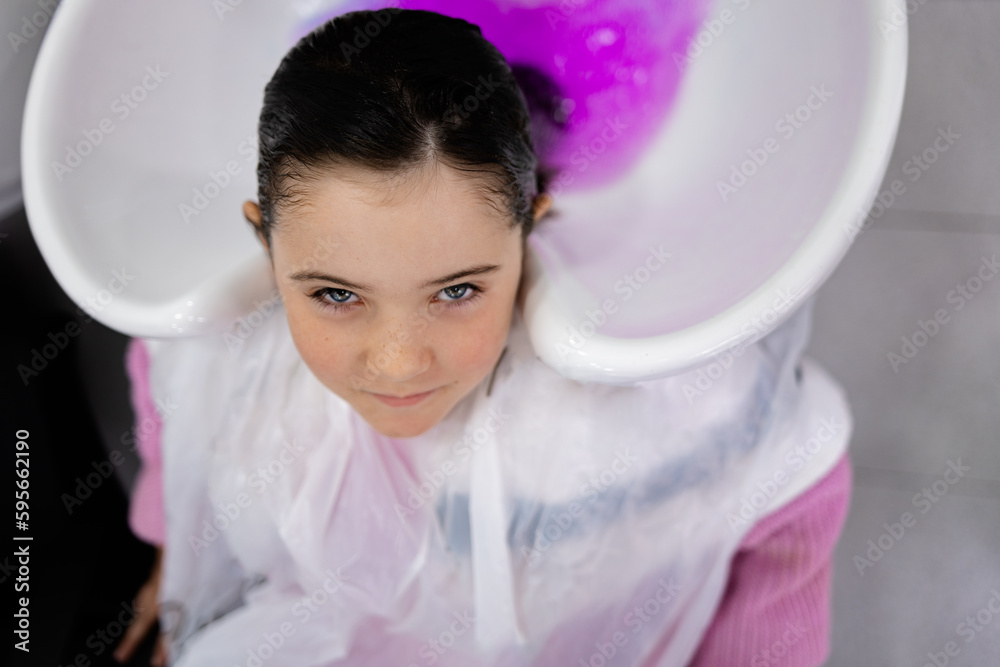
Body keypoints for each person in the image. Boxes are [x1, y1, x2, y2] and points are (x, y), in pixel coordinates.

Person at [113, 8, 853, 666]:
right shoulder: (224, 359)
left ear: (532, 225)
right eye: (336, 294)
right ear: (263, 242)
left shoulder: (631, 419)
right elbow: (169, 369)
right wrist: (171, 542)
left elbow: (793, 480)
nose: (398, 361)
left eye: (458, 290)